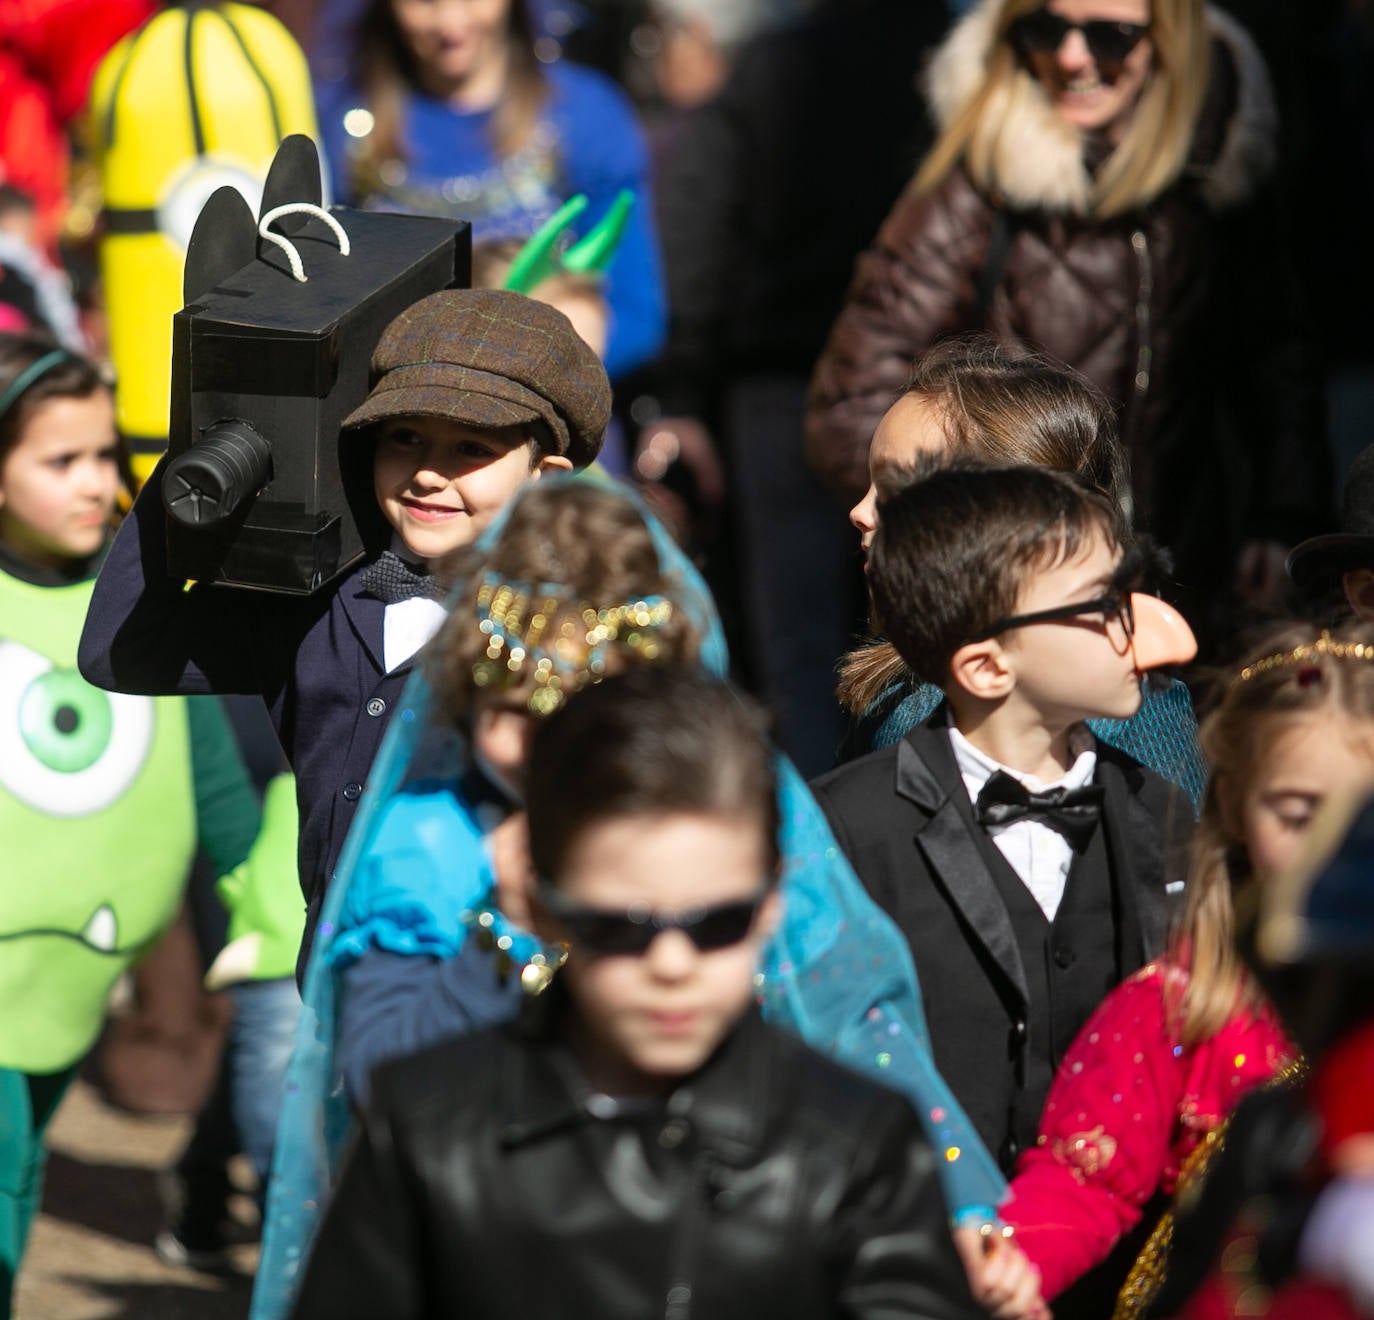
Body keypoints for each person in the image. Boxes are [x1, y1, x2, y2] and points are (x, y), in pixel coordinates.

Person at [289, 666, 982, 1320]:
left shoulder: (857, 1144)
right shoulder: (426, 1132)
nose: (672, 963)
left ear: (772, 901)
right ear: (547, 906)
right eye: (620, 927)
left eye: (718, 922)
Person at [78, 288, 611, 972]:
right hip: (336, 992)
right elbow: (121, 652)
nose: (426, 472)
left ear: (545, 478)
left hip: (498, 1003)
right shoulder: (313, 603)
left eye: (471, 448)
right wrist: (194, 463)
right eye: (405, 438)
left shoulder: (573, 637)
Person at [805, 0, 1329, 641]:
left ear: (1171, 42)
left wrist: (1281, 517)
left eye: (1110, 35)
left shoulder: (1218, 173)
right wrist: (962, 543)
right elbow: (852, 393)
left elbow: (1278, 364)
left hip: (1190, 584)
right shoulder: (980, 180)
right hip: (1013, 608)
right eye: (1045, 29)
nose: (1072, 57)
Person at [810, 461, 1198, 1185]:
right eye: (1102, 604)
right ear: (988, 669)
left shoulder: (1164, 814)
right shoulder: (844, 833)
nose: (1148, 628)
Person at [997, 621, 1374, 1314]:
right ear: (1232, 806)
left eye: (1363, 818)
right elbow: (1086, 1177)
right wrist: (1008, 1262)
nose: (1331, 852)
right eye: (1296, 815)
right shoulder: (1179, 1003)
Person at [0, 334, 262, 1307]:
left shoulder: (138, 610)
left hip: (70, 990)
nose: (95, 482)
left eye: (106, 456)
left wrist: (264, 904)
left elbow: (210, 780)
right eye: (59, 461)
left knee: (19, 1186)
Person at [327, 478, 705, 1102]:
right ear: (468, 702)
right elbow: (377, 1074)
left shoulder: (696, 834)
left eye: (585, 711)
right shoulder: (424, 849)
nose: (550, 748)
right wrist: (505, 927)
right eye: (518, 712)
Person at [837, 338, 1204, 806]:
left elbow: (1176, 866)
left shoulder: (1116, 708)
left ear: (1008, 519)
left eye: (894, 490)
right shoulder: (897, 686)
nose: (859, 511)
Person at [313, 0, 665, 380]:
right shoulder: (341, 124)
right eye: (422, 2)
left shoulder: (584, 113)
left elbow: (635, 313)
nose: (450, 22)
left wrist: (526, 377)